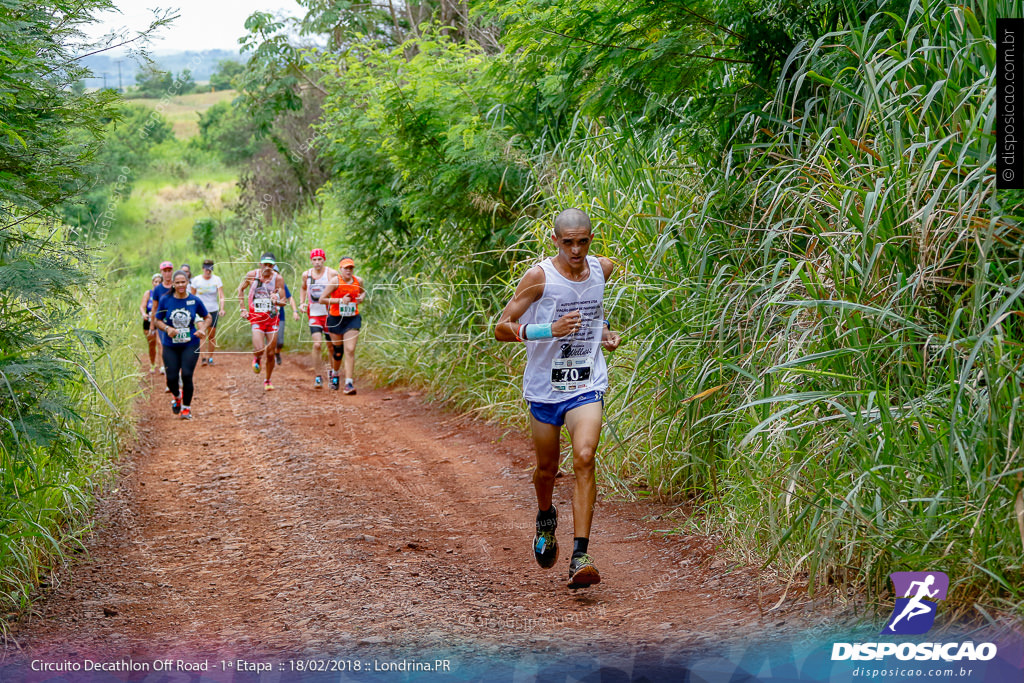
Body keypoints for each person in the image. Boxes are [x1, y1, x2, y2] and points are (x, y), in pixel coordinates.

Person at [494, 208, 621, 589]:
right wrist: (548, 329)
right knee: (547, 469)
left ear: (591, 240)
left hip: (585, 383)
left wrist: (606, 335)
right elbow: (501, 328)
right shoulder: (539, 277)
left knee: (585, 457)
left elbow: (595, 314)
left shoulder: (603, 268)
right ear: (555, 241)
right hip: (545, 389)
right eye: (568, 243)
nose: (576, 250)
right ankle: (545, 518)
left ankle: (580, 555)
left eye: (583, 241)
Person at [152, 270, 210, 419]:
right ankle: (177, 397)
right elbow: (157, 320)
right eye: (177, 282)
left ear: (187, 283)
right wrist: (167, 328)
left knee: (187, 374)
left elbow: (207, 317)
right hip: (170, 345)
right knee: (171, 379)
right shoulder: (166, 300)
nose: (180, 285)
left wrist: (202, 329)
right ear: (173, 284)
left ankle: (186, 408)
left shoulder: (194, 300)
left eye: (183, 282)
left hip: (190, 343)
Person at [237, 252, 287, 391]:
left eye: (270, 265)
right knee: (259, 349)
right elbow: (240, 289)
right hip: (257, 318)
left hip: (272, 319)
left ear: (273, 266)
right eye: (265, 264)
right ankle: (257, 358)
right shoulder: (252, 275)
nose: (267, 267)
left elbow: (284, 301)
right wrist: (242, 309)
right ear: (260, 264)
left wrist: (277, 300)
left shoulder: (278, 279)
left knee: (271, 353)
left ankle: (268, 380)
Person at [323, 256, 364, 394]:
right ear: (340, 269)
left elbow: (363, 293)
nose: (348, 270)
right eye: (346, 268)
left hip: (352, 318)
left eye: (351, 268)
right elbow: (322, 299)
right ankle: (335, 373)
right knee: (338, 352)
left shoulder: (359, 281)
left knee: (350, 349)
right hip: (336, 319)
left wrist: (361, 298)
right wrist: (340, 300)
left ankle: (349, 384)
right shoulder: (335, 282)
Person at [299, 248, 338, 389]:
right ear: (311, 261)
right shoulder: (306, 275)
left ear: (324, 260)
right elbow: (303, 288)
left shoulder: (331, 273)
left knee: (331, 347)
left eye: (319, 259)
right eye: (314, 260)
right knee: (317, 345)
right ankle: (317, 376)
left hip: (329, 314)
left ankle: (333, 374)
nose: (317, 262)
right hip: (314, 313)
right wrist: (302, 302)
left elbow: (338, 288)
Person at [190, 259, 224, 366]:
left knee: (211, 335)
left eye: (210, 269)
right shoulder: (196, 280)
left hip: (213, 309)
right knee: (202, 332)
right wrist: (192, 309)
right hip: (200, 311)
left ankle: (210, 357)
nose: (208, 271)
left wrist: (222, 308)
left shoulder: (217, 280)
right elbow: (192, 296)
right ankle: (203, 357)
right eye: (206, 269)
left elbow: (221, 295)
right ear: (203, 268)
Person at [149, 260, 175, 379]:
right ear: (161, 272)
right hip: (161, 321)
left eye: (169, 271)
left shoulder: (177, 286)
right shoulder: (158, 289)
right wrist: (152, 325)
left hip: (175, 320)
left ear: (172, 271)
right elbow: (154, 307)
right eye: (165, 271)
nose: (167, 273)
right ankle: (167, 371)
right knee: (163, 345)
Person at [273, 265, 300, 365]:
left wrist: (295, 311)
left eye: (276, 272)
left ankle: (277, 353)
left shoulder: (282, 286)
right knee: (270, 341)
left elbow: (290, 298)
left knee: (280, 342)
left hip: (280, 317)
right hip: (268, 318)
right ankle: (270, 358)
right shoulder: (264, 285)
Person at [139, 273, 162, 373]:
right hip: (148, 321)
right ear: (152, 283)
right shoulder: (148, 293)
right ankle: (152, 364)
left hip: (160, 321)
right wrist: (144, 314)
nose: (157, 283)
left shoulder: (165, 293)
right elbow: (142, 306)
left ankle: (162, 366)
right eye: (155, 282)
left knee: (161, 344)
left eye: (159, 282)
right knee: (152, 345)